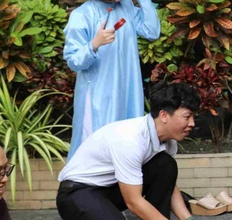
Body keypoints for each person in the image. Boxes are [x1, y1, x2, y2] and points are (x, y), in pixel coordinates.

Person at [63, 0, 161, 158]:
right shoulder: (82, 15)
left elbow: (152, 32)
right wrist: (94, 45)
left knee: (129, 147)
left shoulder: (126, 6)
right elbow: (73, 61)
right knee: (97, 150)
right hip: (99, 97)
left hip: (128, 92)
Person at [56, 83, 199, 220]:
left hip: (110, 190)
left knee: (166, 164)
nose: (192, 123)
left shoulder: (168, 141)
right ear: (163, 115)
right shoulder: (130, 140)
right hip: (76, 194)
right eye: (187, 117)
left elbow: (169, 186)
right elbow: (133, 202)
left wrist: (189, 219)